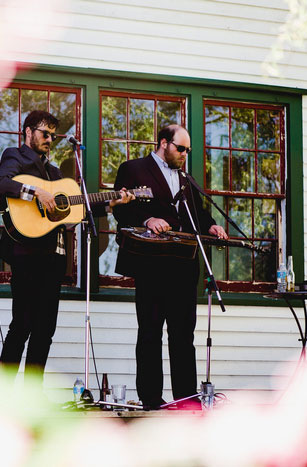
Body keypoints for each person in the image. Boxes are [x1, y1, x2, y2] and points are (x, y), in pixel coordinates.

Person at [0, 110, 133, 385]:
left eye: (53, 136)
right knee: (22, 325)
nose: (50, 140)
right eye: (45, 134)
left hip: (53, 258)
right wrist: (35, 192)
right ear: (28, 132)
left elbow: (75, 207)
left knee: (45, 329)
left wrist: (112, 203)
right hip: (25, 254)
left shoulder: (55, 174)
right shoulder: (15, 156)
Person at [112, 124, 227, 410]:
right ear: (164, 143)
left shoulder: (185, 178)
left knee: (183, 334)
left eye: (188, 150)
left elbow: (195, 213)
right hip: (152, 264)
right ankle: (152, 399)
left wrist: (210, 224)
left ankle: (186, 398)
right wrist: (148, 220)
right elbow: (120, 207)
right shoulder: (134, 169)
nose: (185, 154)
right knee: (150, 331)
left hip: (184, 265)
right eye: (181, 148)